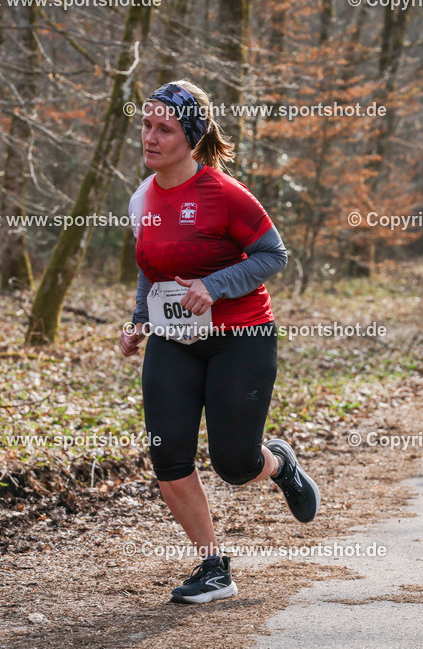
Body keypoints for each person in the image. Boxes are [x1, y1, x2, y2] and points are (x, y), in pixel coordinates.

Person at [117, 80, 320, 604]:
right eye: (146, 125)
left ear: (191, 136)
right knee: (168, 458)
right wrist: (140, 321)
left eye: (164, 129)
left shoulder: (225, 194)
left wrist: (214, 286)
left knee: (235, 464)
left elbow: (273, 255)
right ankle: (214, 568)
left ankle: (279, 463)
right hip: (174, 339)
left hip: (241, 337)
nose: (151, 137)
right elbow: (150, 268)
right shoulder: (142, 197)